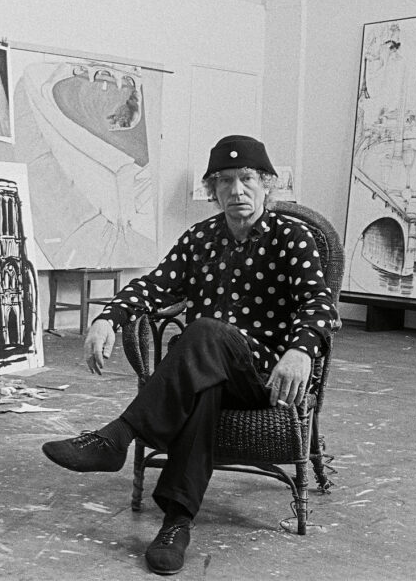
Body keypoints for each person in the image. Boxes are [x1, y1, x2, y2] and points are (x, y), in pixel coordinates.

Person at [42, 135, 338, 575]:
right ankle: (176, 525)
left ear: (267, 184)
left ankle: (118, 437)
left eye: (247, 179)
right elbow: (154, 284)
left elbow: (318, 303)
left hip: (262, 378)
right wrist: (109, 317)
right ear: (212, 190)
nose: (236, 190)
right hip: (205, 374)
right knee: (203, 385)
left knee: (203, 332)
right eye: (224, 182)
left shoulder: (291, 238)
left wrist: (300, 349)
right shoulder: (199, 239)